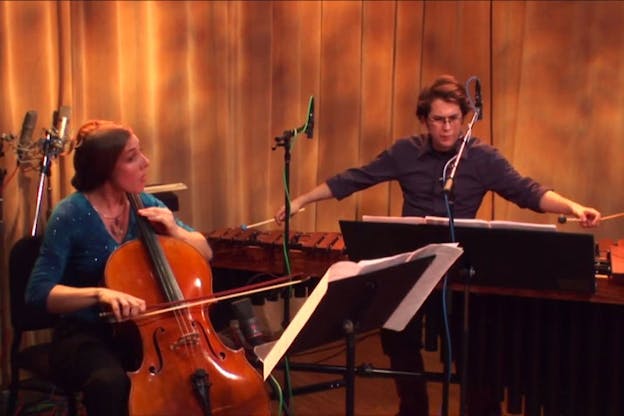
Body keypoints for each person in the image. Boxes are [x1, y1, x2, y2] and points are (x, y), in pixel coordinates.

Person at [274, 75, 601, 415]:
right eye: (438, 120)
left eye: (453, 120)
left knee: (474, 346)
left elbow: (528, 191)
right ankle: (412, 407)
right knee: (397, 337)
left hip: (461, 270)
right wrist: (301, 200)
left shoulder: (482, 158)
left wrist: (572, 207)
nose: (446, 128)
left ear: (464, 118)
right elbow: (354, 178)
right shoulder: (405, 152)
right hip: (412, 266)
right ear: (424, 120)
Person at [25, 120, 213, 416]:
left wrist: (177, 232)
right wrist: (100, 294)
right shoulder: (70, 214)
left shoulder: (144, 204)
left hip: (147, 332)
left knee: (197, 370)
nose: (145, 162)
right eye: (132, 157)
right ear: (104, 168)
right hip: (85, 335)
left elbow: (205, 251)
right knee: (110, 383)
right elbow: (38, 293)